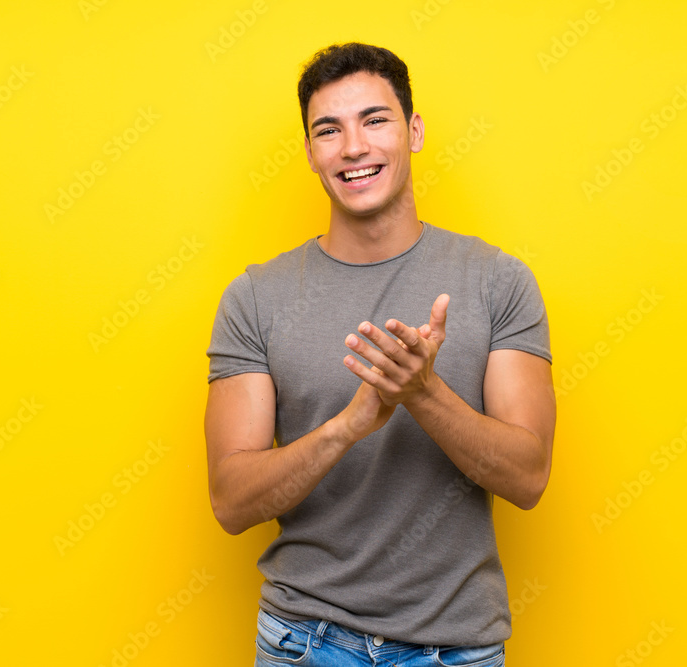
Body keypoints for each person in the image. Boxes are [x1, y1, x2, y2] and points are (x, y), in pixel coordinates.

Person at [205, 41, 555, 667]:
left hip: (457, 649)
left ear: (414, 131)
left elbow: (528, 478)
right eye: (328, 130)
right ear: (311, 152)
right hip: (304, 643)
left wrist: (424, 394)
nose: (354, 147)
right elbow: (231, 502)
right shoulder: (255, 298)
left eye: (375, 120)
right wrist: (347, 427)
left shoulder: (497, 281)